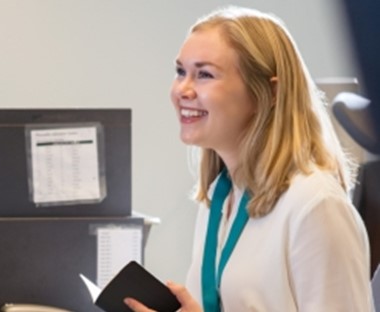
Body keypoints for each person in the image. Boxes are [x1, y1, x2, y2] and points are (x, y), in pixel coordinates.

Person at [124, 6, 374, 312]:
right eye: (180, 72)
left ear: (268, 93)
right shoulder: (220, 195)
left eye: (204, 74)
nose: (182, 90)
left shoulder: (314, 205)